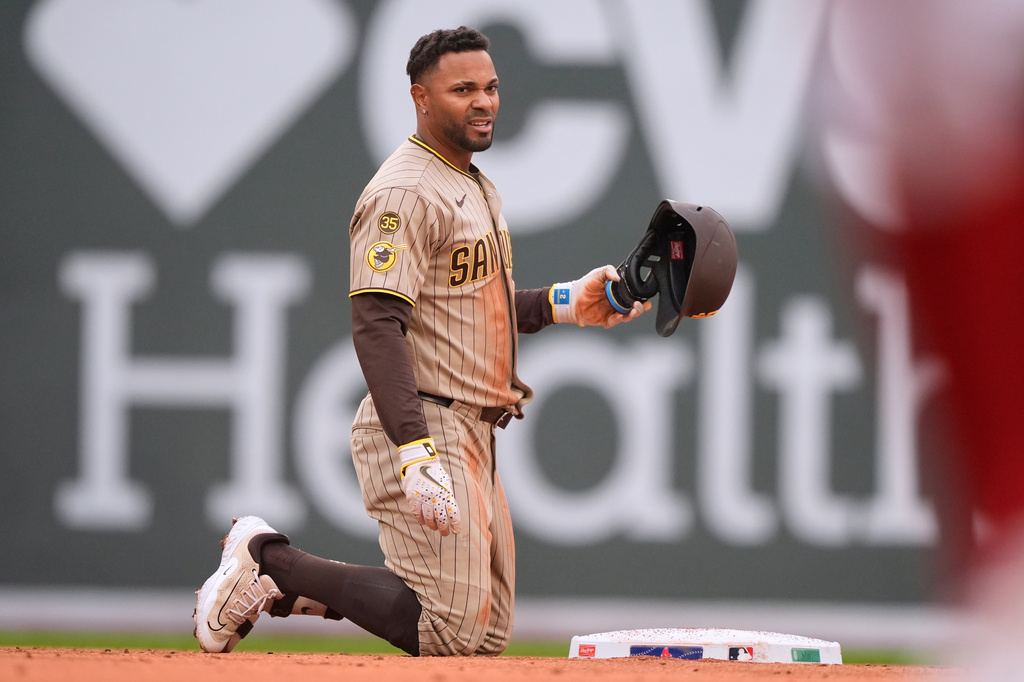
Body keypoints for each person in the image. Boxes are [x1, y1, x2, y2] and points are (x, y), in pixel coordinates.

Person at [193, 25, 648, 657]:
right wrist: (414, 450)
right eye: (463, 89)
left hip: (475, 431)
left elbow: (469, 306)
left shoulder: (470, 182)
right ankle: (271, 561)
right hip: (423, 420)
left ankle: (276, 583)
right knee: (450, 631)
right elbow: (376, 319)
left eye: (490, 88)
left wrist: (566, 302)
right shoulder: (404, 191)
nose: (484, 101)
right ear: (421, 98)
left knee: (483, 640)